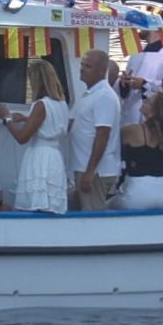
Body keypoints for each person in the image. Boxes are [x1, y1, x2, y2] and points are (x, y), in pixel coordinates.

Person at [0, 61, 68, 214]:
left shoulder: (41, 105)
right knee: (50, 205)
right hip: (54, 157)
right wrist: (26, 119)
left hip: (40, 157)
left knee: (36, 204)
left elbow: (22, 138)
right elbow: (49, 125)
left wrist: (6, 119)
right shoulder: (62, 104)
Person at [66, 48, 121, 211]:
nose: (82, 69)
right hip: (84, 167)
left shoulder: (104, 96)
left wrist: (90, 172)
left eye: (88, 66)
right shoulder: (90, 94)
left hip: (96, 172)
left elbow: (103, 134)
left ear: (101, 71)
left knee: (92, 215)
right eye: (82, 64)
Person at [112, 90, 163, 210]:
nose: (144, 101)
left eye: (148, 102)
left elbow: (112, 145)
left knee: (108, 206)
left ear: (154, 111)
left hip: (138, 190)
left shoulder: (132, 130)